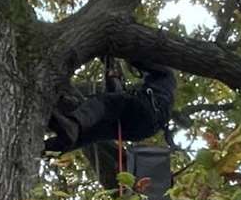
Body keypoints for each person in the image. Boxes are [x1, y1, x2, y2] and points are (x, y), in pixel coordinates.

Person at [46, 61, 175, 153]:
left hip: (148, 110)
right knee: (95, 130)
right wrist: (112, 75)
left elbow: (139, 60)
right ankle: (48, 146)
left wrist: (118, 47)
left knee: (104, 102)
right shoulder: (154, 89)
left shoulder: (166, 74)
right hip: (141, 129)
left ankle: (73, 125)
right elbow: (117, 96)